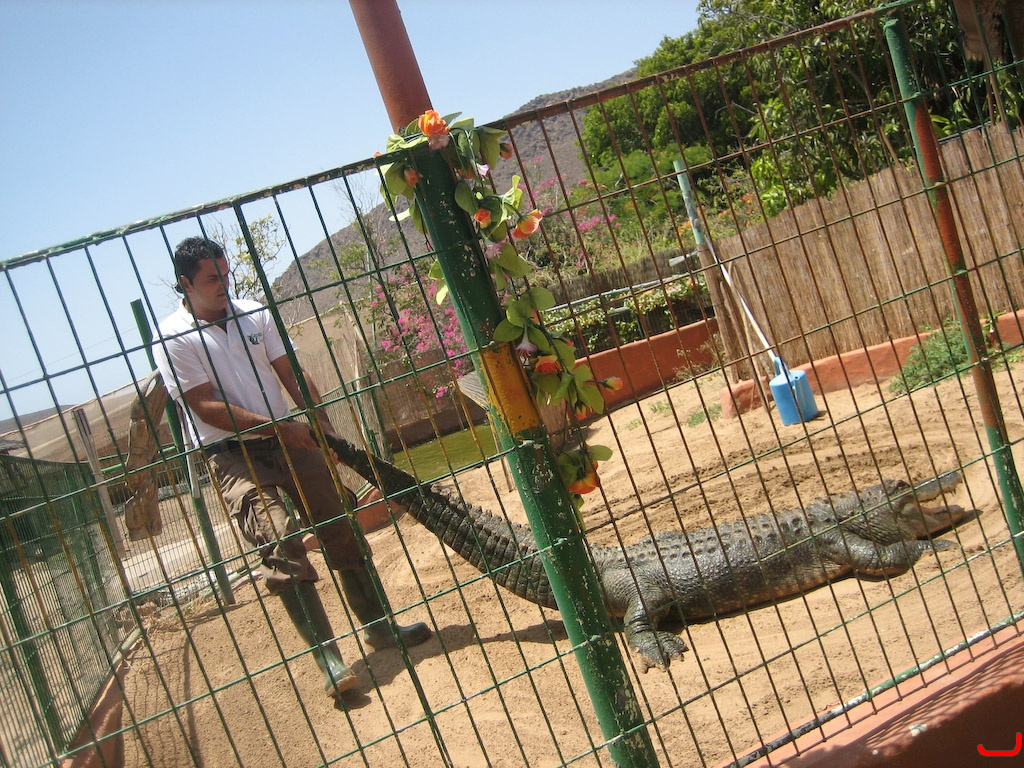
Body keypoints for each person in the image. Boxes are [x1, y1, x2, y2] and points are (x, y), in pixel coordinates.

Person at [154, 236, 431, 699]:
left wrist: (322, 425)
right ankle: (329, 659)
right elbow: (203, 406)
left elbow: (291, 372)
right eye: (212, 278)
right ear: (186, 283)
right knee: (278, 539)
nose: (224, 284)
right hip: (232, 454)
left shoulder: (253, 313)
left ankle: (380, 626)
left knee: (339, 523)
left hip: (289, 438)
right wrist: (281, 428)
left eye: (226, 274)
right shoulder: (172, 338)